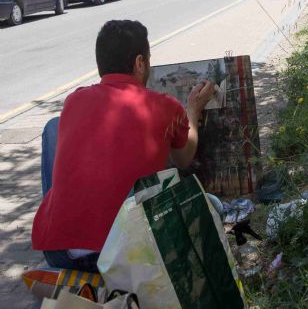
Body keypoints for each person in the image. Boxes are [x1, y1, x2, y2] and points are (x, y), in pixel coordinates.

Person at [32, 19, 215, 272]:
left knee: (54, 126)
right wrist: (193, 111)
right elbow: (184, 158)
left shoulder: (74, 100)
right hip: (130, 253)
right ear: (140, 62)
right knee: (212, 205)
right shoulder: (164, 105)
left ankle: (61, 223)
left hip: (63, 255)